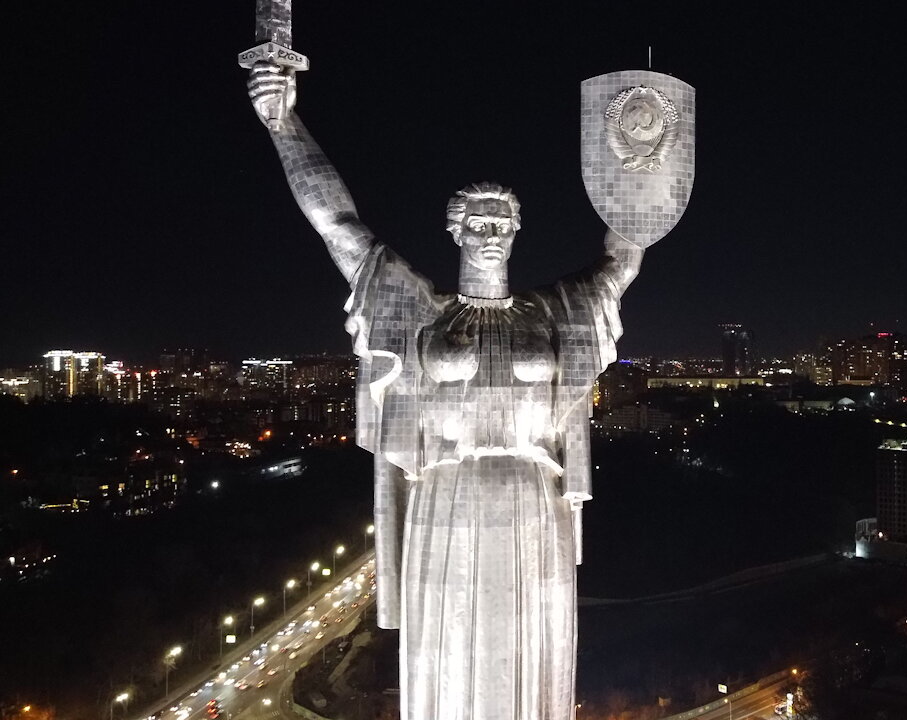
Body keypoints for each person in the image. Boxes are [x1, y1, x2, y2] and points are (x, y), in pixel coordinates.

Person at [248, 62, 645, 720]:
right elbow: (337, 224)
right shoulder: (422, 317)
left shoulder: (553, 314)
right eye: (478, 223)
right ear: (454, 231)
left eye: (501, 224)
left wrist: (637, 166)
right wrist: (282, 123)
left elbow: (622, 258)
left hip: (531, 499)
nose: (490, 235)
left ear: (516, 231)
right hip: (447, 498)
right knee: (448, 655)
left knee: (534, 661)